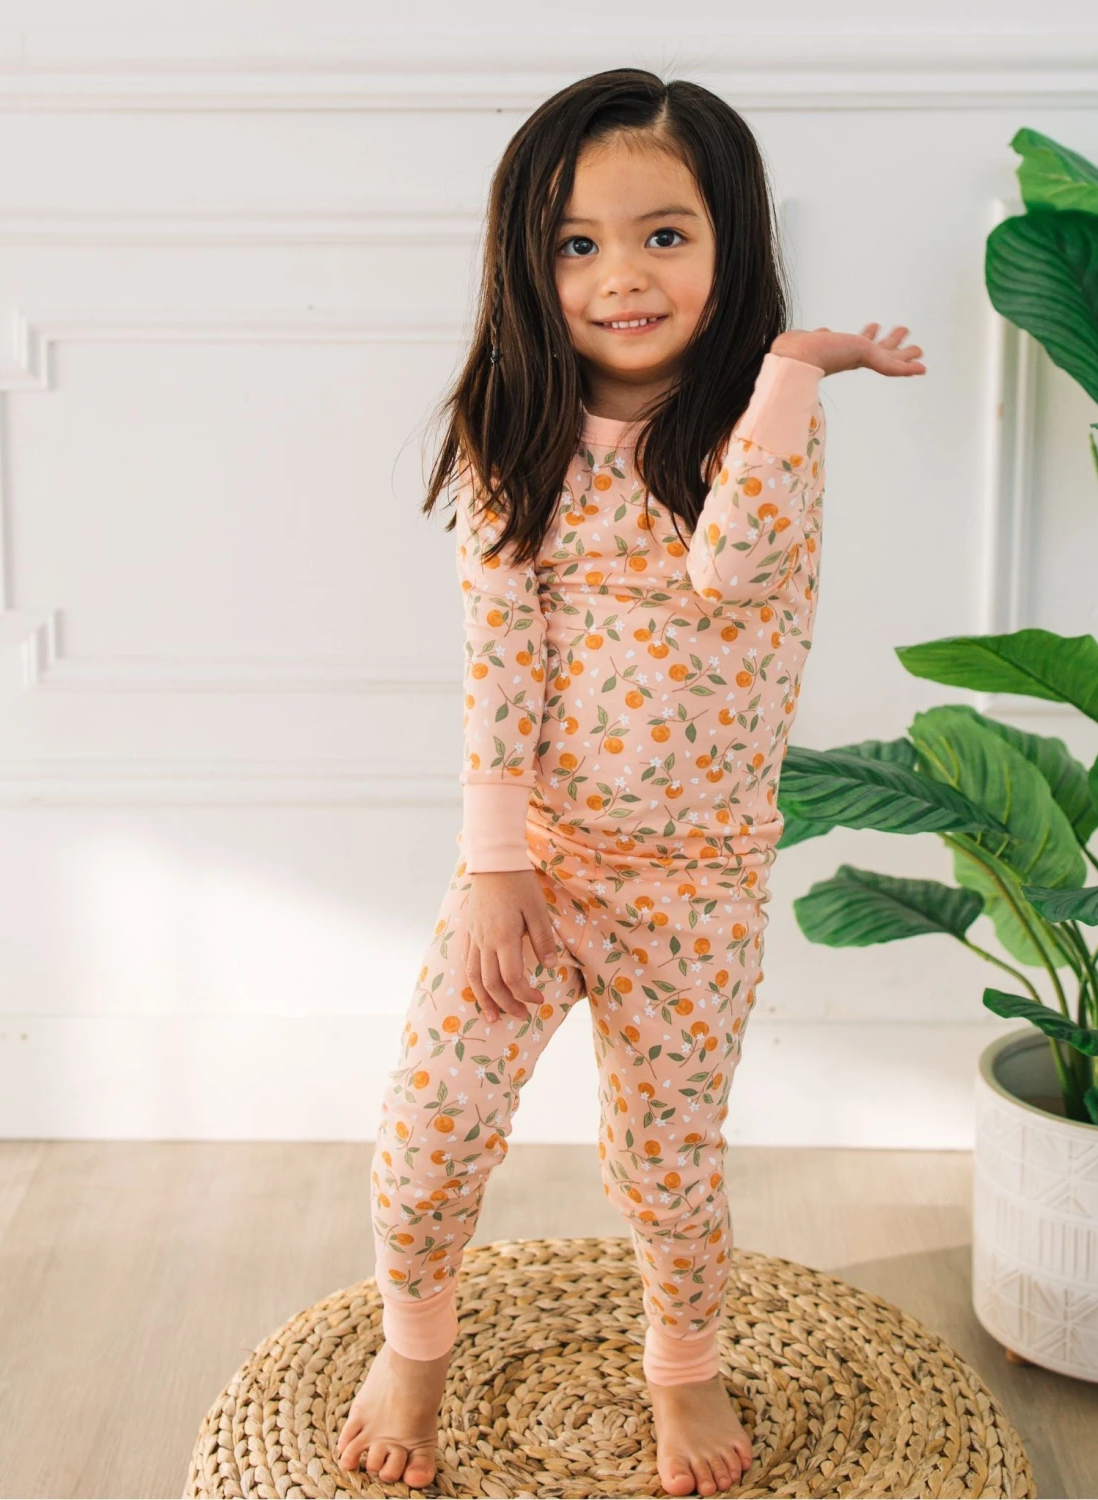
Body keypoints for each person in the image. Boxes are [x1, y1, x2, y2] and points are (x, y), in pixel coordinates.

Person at [336, 66, 926, 1497]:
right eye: (577, 244)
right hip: (539, 863)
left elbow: (731, 569)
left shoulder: (762, 428)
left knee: (668, 1159)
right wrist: (498, 865)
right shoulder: (513, 438)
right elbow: (502, 655)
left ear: (731, 242)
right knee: (426, 1130)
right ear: (527, 265)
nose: (623, 277)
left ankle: (684, 1365)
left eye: (666, 235)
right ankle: (414, 1344)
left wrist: (795, 366)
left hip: (699, 882)